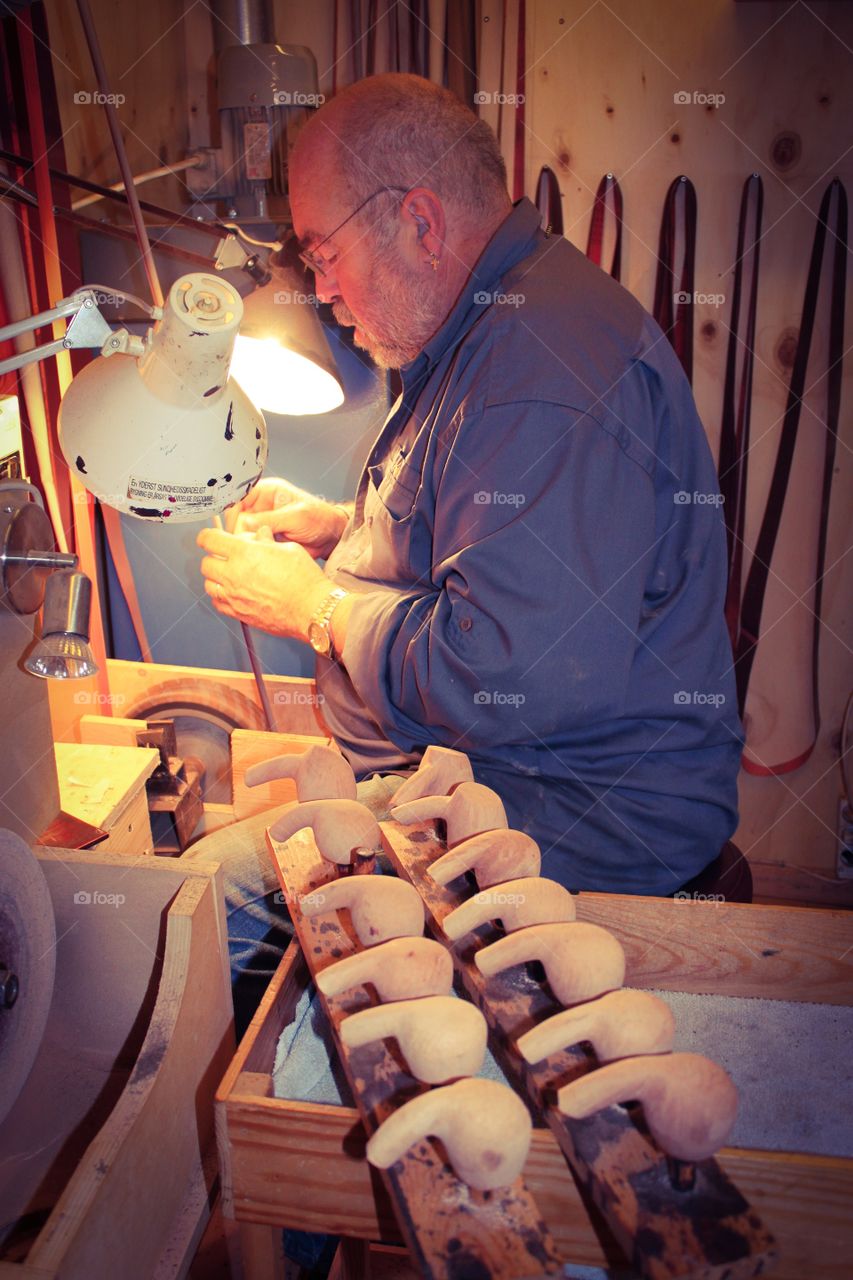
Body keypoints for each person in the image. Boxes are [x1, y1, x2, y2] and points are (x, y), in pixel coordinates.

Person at [196, 72, 744, 905]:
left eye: (324, 255)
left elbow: (510, 680)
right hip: (497, 776)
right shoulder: (491, 323)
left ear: (418, 221)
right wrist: (336, 527)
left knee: (217, 894)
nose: (323, 290)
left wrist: (315, 608)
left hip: (571, 811)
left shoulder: (534, 372)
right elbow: (502, 541)